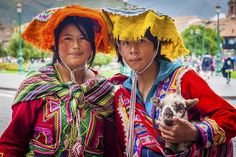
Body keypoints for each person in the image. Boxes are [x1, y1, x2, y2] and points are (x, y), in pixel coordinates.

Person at [102, 7, 236, 156]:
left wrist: (194, 133)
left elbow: (230, 116)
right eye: (126, 42)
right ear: (119, 48)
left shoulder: (183, 78)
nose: (133, 49)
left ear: (156, 45)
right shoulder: (123, 93)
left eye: (141, 40)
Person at [0, 5, 118, 157]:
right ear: (54, 42)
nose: (75, 45)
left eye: (83, 38)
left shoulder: (104, 92)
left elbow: (112, 149)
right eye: (67, 38)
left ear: (93, 44)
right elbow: (12, 143)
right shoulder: (37, 85)